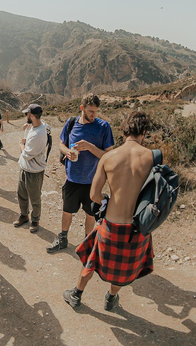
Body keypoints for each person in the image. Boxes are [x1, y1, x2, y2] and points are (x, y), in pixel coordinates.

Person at [63, 111, 155, 311]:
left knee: (91, 259)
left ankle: (76, 294)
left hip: (111, 224)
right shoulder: (152, 157)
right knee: (124, 268)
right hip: (137, 226)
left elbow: (94, 195)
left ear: (123, 131)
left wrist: (108, 200)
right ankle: (111, 298)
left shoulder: (109, 157)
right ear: (144, 132)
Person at [48, 93, 115, 253]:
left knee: (90, 214)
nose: (94, 115)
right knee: (67, 210)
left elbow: (109, 156)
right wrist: (67, 152)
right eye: (90, 111)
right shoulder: (71, 123)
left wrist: (90, 147)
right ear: (82, 108)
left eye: (96, 111)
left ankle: (88, 243)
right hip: (72, 179)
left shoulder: (103, 127)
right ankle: (63, 238)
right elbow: (61, 144)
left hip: (93, 181)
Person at [13, 104, 50, 234]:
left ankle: (35, 220)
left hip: (33, 171)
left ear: (32, 116)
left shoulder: (38, 134)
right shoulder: (38, 125)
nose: (25, 117)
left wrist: (21, 144)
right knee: (21, 193)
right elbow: (45, 125)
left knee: (34, 198)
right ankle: (24, 215)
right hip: (25, 168)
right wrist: (27, 126)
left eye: (27, 114)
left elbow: (26, 155)